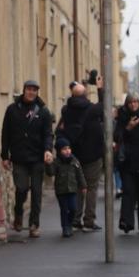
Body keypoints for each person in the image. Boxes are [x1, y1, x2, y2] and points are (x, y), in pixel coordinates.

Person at [0, 80, 54, 237]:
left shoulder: (43, 111)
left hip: (37, 157)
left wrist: (48, 150)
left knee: (37, 192)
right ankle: (18, 214)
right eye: (29, 89)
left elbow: (48, 134)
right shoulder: (12, 110)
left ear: (37, 92)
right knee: (21, 188)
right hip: (19, 158)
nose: (31, 92)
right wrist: (5, 156)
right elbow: (5, 134)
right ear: (24, 91)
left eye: (34, 90)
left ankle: (34, 224)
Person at [56, 77, 105, 232]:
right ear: (85, 95)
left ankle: (75, 219)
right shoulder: (92, 109)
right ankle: (89, 220)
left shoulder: (66, 110)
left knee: (77, 186)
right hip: (93, 154)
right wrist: (100, 89)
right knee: (91, 187)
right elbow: (103, 106)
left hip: (75, 154)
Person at [114, 93, 139, 234]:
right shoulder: (122, 117)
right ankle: (127, 222)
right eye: (130, 102)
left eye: (136, 102)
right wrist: (128, 128)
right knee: (128, 192)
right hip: (127, 160)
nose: (133, 105)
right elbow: (117, 136)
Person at [46, 137, 87, 238]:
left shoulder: (74, 161)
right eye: (64, 149)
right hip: (61, 190)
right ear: (59, 151)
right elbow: (51, 173)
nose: (67, 151)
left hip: (73, 189)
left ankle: (70, 223)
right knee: (64, 209)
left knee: (73, 208)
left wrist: (83, 185)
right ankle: (65, 227)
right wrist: (48, 164)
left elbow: (80, 174)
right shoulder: (57, 162)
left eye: (68, 148)